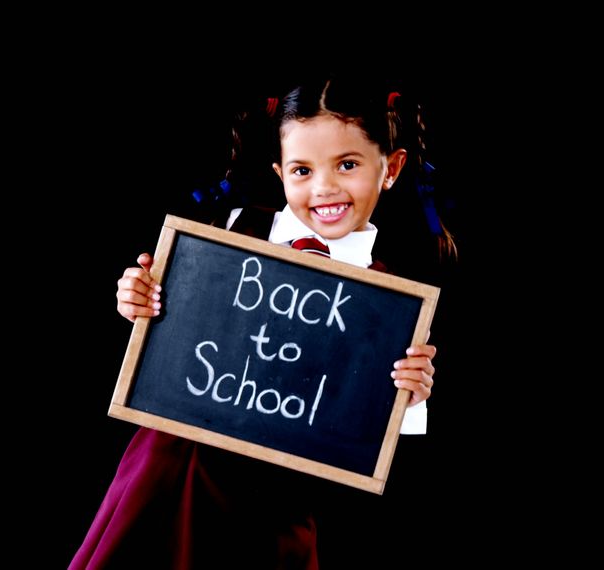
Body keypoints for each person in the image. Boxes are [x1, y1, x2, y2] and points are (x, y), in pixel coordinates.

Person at [71, 78, 455, 569]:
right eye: (302, 170)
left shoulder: (390, 305)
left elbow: (363, 436)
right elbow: (172, 336)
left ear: (391, 168)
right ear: (280, 172)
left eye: (348, 165)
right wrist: (139, 299)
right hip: (169, 475)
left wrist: (410, 398)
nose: (325, 188)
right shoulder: (232, 230)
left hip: (270, 511)